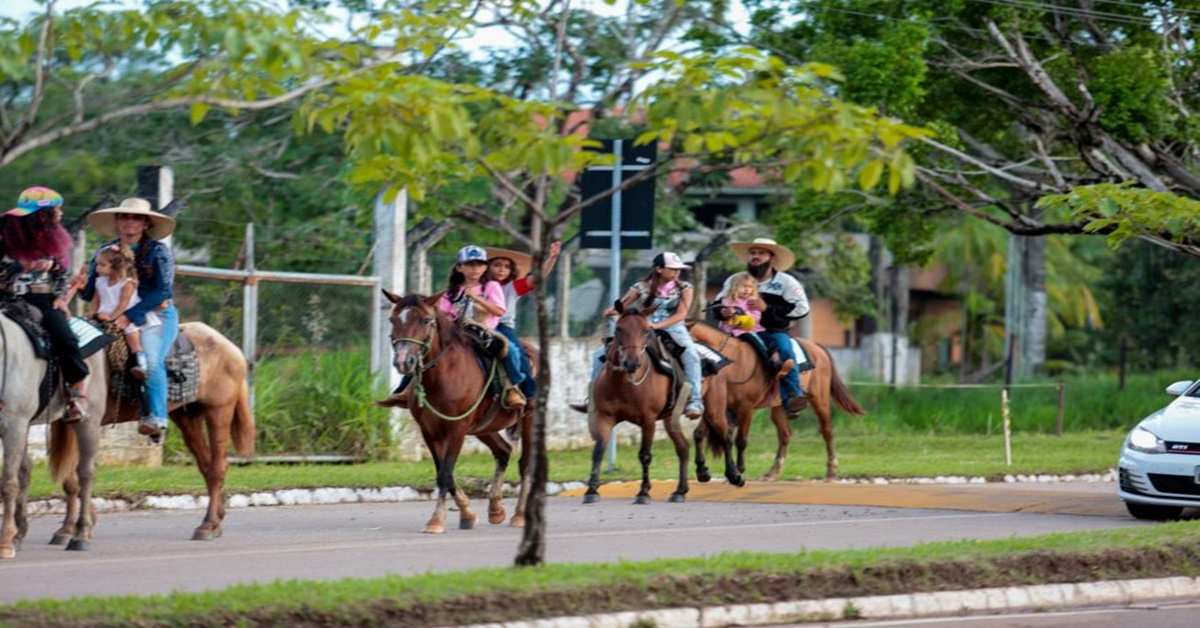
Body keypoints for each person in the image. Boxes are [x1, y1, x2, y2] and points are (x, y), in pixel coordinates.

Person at [378, 245, 526, 409]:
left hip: (484, 330)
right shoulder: (451, 292)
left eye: (479, 264)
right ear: (459, 268)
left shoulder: (491, 286)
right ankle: (404, 390)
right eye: (469, 265)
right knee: (426, 350)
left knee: (509, 349)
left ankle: (511, 388)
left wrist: (476, 298)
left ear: (485, 267)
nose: (475, 269)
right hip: (457, 330)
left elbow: (499, 311)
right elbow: (446, 314)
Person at [80, 197, 178, 441]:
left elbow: (163, 290)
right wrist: (81, 285)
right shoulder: (104, 251)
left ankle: (157, 418)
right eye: (124, 216)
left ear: (146, 224)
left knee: (151, 362)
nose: (129, 221)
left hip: (154, 314)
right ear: (117, 221)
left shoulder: (158, 251)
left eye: (136, 217)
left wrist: (129, 315)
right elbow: (92, 290)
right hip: (110, 314)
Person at [576, 251, 705, 419]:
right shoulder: (640, 287)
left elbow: (681, 315)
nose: (677, 272)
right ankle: (594, 399)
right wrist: (612, 311)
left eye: (678, 269)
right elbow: (623, 305)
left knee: (691, 356)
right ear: (659, 269)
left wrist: (656, 325)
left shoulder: (685, 288)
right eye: (673, 269)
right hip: (642, 327)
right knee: (599, 355)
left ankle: (695, 400)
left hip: (674, 328)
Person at [0, 186, 89, 421]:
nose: (61, 214)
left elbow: (62, 274)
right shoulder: (3, 238)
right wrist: (18, 267)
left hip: (41, 300)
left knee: (66, 338)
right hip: (5, 299)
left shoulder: (52, 241)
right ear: (42, 215)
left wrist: (60, 297)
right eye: (57, 210)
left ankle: (76, 390)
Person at [714, 237, 810, 417]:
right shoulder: (735, 279)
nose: (755, 256)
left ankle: (792, 396)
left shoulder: (786, 282)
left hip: (772, 331)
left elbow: (802, 309)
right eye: (752, 253)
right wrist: (722, 312)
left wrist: (768, 309)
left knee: (784, 350)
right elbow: (717, 303)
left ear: (772, 258)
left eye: (761, 253)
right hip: (736, 331)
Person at [485, 241, 562, 402]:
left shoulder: (513, 287)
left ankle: (529, 393)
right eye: (497, 265)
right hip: (476, 325)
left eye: (506, 267)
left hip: (502, 327)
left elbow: (538, 278)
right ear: (487, 267)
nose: (502, 269)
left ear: (511, 271)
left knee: (516, 352)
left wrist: (552, 258)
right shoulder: (477, 286)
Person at [87, 242, 160, 380]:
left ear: (116, 266)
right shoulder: (100, 281)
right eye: (97, 264)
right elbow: (96, 299)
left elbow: (123, 305)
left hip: (124, 315)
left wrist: (111, 318)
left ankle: (140, 362)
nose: (97, 268)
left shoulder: (127, 283)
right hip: (102, 314)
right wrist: (92, 311)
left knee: (132, 334)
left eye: (102, 265)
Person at [716, 271, 778, 363]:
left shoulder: (752, 301)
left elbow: (756, 316)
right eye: (743, 286)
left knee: (770, 340)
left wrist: (743, 314)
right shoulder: (727, 301)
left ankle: (774, 361)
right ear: (735, 287)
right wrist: (729, 313)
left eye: (750, 287)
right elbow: (725, 316)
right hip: (733, 330)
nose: (747, 289)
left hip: (752, 328)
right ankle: (766, 361)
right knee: (751, 339)